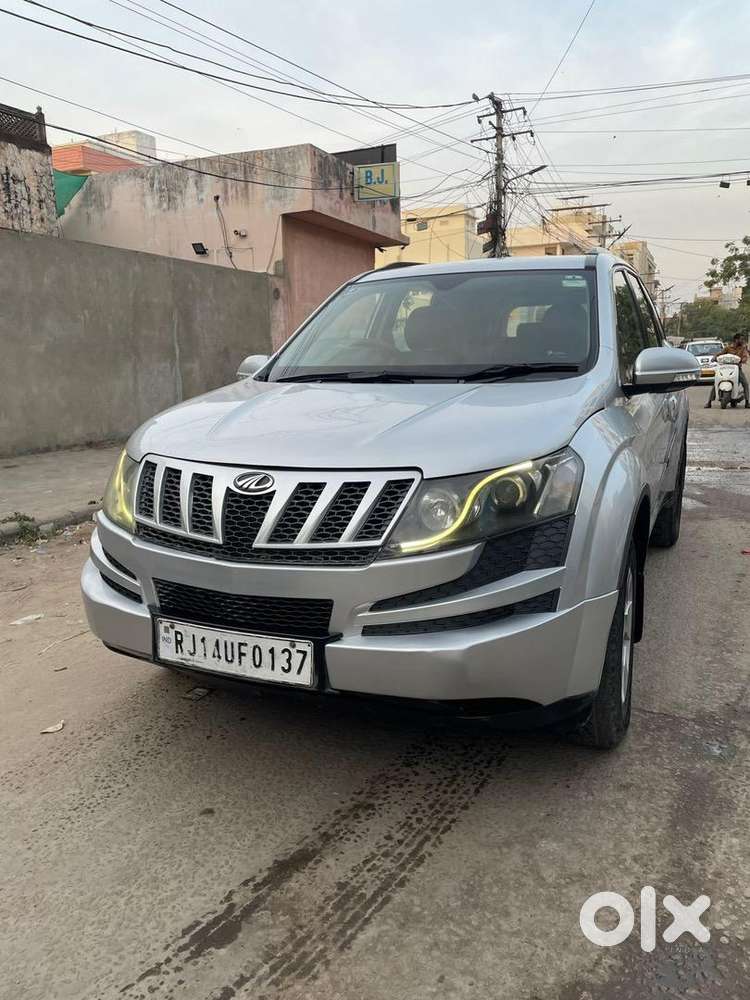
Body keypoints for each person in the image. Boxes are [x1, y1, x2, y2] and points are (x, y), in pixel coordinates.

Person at [705, 333, 750, 408]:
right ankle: (709, 402)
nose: (742, 341)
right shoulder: (728, 348)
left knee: (745, 383)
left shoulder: (743, 348)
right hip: (725, 368)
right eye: (741, 339)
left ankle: (747, 402)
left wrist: (743, 360)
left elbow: (745, 356)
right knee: (716, 383)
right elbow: (720, 354)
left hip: (737, 369)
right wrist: (715, 357)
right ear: (736, 340)